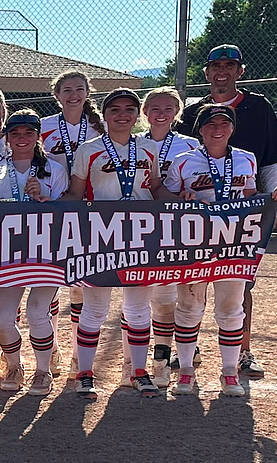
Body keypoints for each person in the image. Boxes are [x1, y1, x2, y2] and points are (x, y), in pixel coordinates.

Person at [176, 44, 277, 377]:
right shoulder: (194, 112)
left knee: (240, 285)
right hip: (199, 219)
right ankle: (189, 348)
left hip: (242, 215)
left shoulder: (258, 106)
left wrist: (266, 206)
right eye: (215, 65)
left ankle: (244, 352)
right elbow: (181, 165)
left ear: (240, 70)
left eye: (230, 64)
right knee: (193, 281)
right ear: (207, 72)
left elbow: (268, 160)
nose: (222, 70)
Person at [64, 88, 176, 399]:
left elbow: (154, 187)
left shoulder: (149, 148)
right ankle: (85, 373)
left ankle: (137, 373)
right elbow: (75, 193)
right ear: (105, 114)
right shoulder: (88, 150)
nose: (122, 115)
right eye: (115, 109)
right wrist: (48, 205)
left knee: (138, 307)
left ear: (138, 114)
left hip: (141, 235)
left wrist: (185, 204)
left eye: (129, 109)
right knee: (95, 308)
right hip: (100, 234)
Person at [0, 110, 68, 395]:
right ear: (6, 137)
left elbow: (68, 214)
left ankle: (43, 371)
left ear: (38, 136)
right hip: (9, 251)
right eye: (15, 133)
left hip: (47, 251)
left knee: (36, 311)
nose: (21, 139)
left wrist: (45, 201)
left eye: (28, 133)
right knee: (4, 317)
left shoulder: (54, 170)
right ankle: (14, 365)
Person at [129, 87, 199, 388]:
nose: (161, 113)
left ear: (177, 112)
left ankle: (163, 356)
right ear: (144, 112)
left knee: (167, 295)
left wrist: (188, 194)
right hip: (138, 226)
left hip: (176, 228)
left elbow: (195, 182)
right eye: (155, 107)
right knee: (141, 296)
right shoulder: (131, 143)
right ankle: (136, 362)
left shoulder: (191, 145)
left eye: (168, 108)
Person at [41, 70, 105, 379]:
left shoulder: (101, 127)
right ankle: (51, 349)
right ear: (57, 95)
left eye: (79, 89)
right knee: (52, 283)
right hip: (54, 209)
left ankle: (80, 356)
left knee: (81, 284)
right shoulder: (44, 127)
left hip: (89, 211)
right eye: (67, 89)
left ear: (88, 92)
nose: (73, 94)